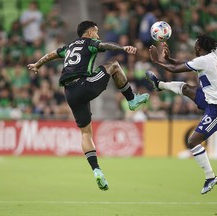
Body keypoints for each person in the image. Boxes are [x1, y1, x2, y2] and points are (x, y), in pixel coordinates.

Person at [27, 20, 149, 191]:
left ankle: (97, 170)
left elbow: (51, 54)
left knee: (86, 133)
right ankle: (131, 100)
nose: (98, 35)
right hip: (83, 85)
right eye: (96, 32)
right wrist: (123, 48)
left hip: (69, 93)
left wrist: (37, 64)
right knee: (113, 65)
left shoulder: (68, 47)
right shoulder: (90, 43)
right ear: (90, 33)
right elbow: (105, 45)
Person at [146, 35, 217, 194]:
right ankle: (159, 85)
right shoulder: (209, 58)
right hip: (209, 99)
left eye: (195, 45)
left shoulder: (205, 60)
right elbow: (182, 65)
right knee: (186, 88)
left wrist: (157, 62)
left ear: (198, 47)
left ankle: (210, 177)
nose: (194, 47)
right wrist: (169, 58)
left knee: (192, 142)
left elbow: (175, 69)